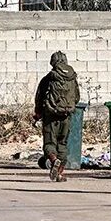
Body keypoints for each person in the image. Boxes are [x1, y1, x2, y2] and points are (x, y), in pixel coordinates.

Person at [34, 51, 81, 182]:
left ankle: (54, 160)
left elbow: (40, 97)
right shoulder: (72, 78)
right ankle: (60, 174)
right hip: (66, 116)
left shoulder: (49, 78)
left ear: (52, 62)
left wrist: (38, 113)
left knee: (50, 143)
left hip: (50, 116)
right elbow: (77, 97)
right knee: (62, 144)